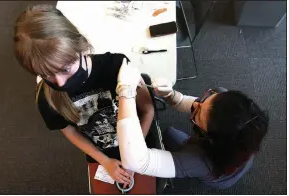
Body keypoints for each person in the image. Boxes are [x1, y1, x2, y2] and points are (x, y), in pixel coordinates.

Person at [13, 5, 154, 185]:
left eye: (65, 69)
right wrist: (104, 160)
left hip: (141, 139)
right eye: (46, 74)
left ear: (83, 47)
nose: (60, 83)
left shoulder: (117, 67)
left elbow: (147, 109)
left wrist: (135, 153)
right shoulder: (46, 99)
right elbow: (70, 131)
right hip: (101, 152)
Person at [115, 63, 269, 189]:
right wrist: (171, 94)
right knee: (170, 134)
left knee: (169, 134)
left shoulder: (198, 160)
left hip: (219, 176)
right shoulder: (223, 104)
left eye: (198, 115)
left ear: (209, 138)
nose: (196, 103)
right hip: (236, 157)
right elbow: (185, 103)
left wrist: (125, 91)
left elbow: (137, 161)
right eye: (208, 97)